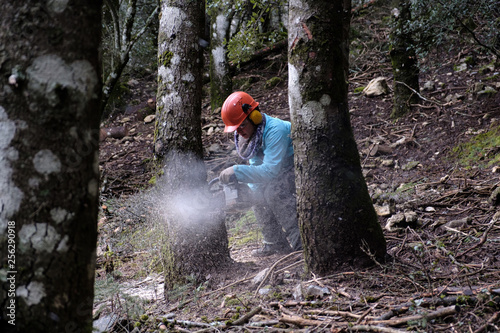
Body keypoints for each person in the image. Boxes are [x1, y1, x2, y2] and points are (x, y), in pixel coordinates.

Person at [218, 91, 302, 257]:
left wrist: (236, 170)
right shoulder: (252, 135)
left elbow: (269, 171)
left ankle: (301, 244)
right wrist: (250, 194)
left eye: (242, 125)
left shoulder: (274, 131)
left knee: (274, 192)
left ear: (254, 116)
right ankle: (274, 243)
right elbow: (257, 167)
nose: (240, 132)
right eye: (236, 128)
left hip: (297, 166)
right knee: (257, 194)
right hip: (279, 171)